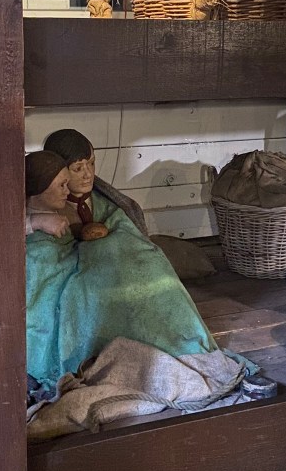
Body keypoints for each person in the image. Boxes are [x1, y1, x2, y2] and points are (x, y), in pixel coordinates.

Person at [24, 145, 217, 390]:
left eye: (91, 164)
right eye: (75, 171)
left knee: (147, 270)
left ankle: (174, 339)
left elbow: (120, 228)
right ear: (39, 188)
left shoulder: (99, 204)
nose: (87, 175)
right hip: (53, 287)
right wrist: (36, 221)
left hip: (88, 266)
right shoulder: (30, 215)